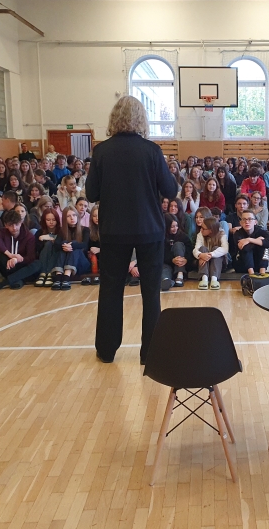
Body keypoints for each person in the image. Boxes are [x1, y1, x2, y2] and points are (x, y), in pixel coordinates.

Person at [86, 95, 179, 365]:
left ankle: (106, 350)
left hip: (114, 230)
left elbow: (91, 193)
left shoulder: (101, 151)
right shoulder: (152, 151)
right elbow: (170, 190)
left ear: (114, 118)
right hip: (149, 229)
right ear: (142, 119)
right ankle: (150, 352)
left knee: (110, 290)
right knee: (150, 292)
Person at [0, 209, 39, 290]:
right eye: (11, 225)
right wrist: (10, 254)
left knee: (37, 264)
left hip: (21, 266)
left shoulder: (29, 236)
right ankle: (18, 279)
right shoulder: (3, 232)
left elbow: (30, 257)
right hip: (8, 266)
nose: (14, 228)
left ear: (21, 222)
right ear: (6, 225)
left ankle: (4, 283)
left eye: (16, 224)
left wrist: (16, 260)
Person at [50, 206, 91, 290]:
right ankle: (59, 276)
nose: (72, 218)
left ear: (77, 216)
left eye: (74, 215)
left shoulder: (85, 229)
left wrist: (72, 246)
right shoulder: (62, 231)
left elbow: (85, 245)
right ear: (65, 219)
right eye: (68, 216)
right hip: (65, 264)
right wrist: (64, 246)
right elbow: (56, 245)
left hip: (81, 263)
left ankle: (66, 277)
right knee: (63, 244)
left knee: (75, 245)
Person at [193, 217, 228, 290]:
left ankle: (214, 279)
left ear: (211, 230)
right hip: (204, 263)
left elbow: (225, 249)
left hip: (218, 263)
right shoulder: (200, 234)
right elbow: (195, 250)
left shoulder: (221, 234)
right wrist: (201, 255)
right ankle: (204, 278)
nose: (201, 230)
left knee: (216, 248)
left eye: (203, 228)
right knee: (202, 249)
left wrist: (210, 254)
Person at [232, 210, 269, 275]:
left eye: (250, 219)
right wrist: (258, 241)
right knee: (248, 248)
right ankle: (251, 275)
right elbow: (245, 248)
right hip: (242, 265)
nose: (247, 222)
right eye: (244, 219)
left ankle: (262, 273)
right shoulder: (237, 234)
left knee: (264, 247)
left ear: (255, 222)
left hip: (258, 264)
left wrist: (249, 240)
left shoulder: (261, 231)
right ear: (240, 223)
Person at [162, 213, 191, 288]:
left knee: (178, 245)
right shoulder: (162, 237)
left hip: (181, 263)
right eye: (172, 227)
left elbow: (190, 251)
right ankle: (166, 280)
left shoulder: (183, 236)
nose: (175, 228)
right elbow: (161, 253)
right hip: (167, 263)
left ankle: (180, 275)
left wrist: (186, 259)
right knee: (164, 270)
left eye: (176, 226)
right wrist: (172, 259)